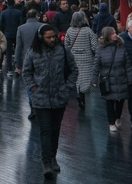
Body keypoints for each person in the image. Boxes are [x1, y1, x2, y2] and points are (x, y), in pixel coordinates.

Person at [22, 24, 77, 180]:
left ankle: (53, 157)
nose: (52, 39)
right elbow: (27, 72)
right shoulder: (33, 52)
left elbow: (74, 69)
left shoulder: (62, 50)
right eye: (49, 37)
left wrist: (67, 87)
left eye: (54, 36)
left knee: (55, 129)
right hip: (41, 98)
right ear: (41, 38)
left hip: (59, 97)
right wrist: (33, 88)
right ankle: (46, 161)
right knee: (45, 130)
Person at [92, 26, 132, 132]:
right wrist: (94, 79)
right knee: (109, 102)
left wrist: (130, 78)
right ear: (107, 36)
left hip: (121, 77)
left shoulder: (121, 47)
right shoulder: (100, 49)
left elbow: (127, 64)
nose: (115, 35)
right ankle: (111, 122)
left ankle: (117, 117)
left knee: (120, 101)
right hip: (108, 79)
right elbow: (96, 65)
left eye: (115, 32)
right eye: (112, 33)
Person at [65, 11, 97, 111]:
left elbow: (66, 45)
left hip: (74, 57)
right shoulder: (88, 30)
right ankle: (82, 94)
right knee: (85, 77)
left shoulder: (69, 30)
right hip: (87, 58)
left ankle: (79, 93)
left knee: (77, 76)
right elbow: (94, 46)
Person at [0, 0, 23, 75]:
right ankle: (17, 67)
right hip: (16, 33)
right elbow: (21, 23)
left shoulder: (3, 12)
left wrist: (4, 30)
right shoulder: (19, 12)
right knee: (18, 51)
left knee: (8, 52)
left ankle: (9, 69)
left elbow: (0, 23)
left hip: (7, 34)